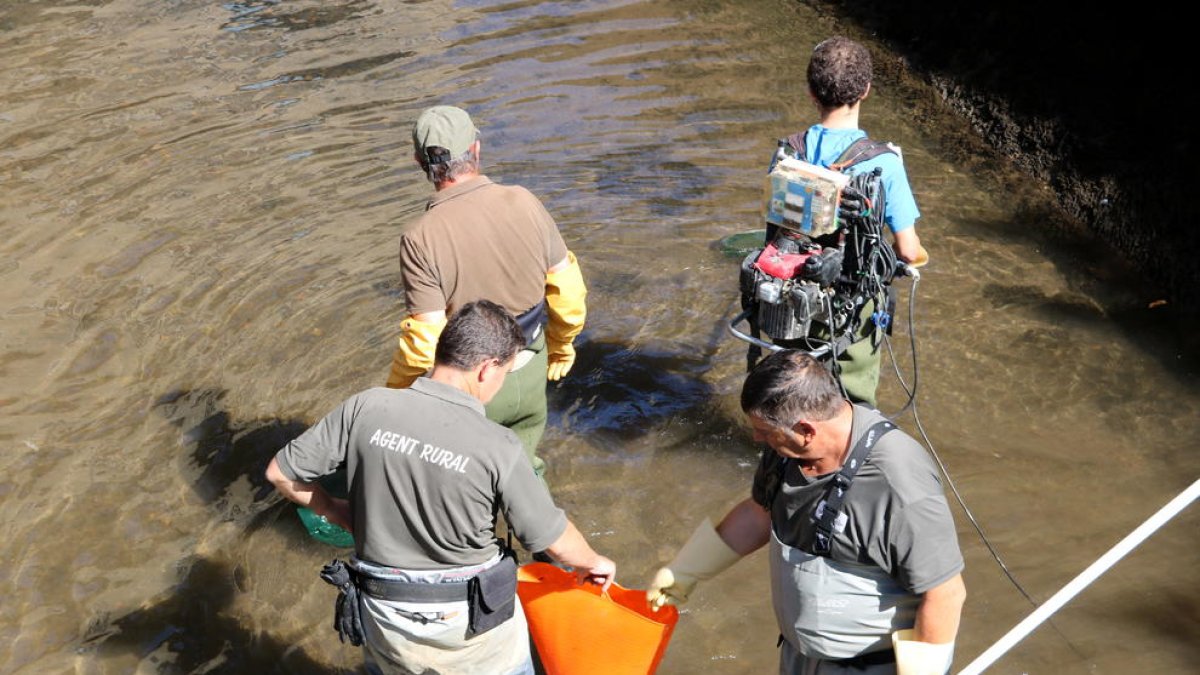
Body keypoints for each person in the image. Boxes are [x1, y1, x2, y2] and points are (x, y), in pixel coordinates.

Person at [268, 300, 615, 675]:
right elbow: (551, 538)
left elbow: (280, 473)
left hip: (384, 614)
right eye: (505, 373)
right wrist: (593, 562)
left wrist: (336, 510)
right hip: (469, 630)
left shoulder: (367, 406)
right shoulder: (497, 444)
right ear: (486, 370)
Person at [647, 350, 965, 674]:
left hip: (867, 666)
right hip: (799, 656)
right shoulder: (787, 449)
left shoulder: (898, 482)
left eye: (766, 431)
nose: (758, 438)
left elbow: (945, 593)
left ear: (806, 430)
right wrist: (685, 570)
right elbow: (760, 513)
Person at [386, 105, 587, 482]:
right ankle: (544, 539)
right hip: (528, 369)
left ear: (418, 162)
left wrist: (396, 398)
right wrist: (562, 345)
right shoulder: (524, 201)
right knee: (524, 478)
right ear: (476, 150)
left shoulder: (419, 237)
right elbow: (569, 292)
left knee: (454, 484)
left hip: (469, 387)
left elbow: (425, 342)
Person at [762, 36, 929, 406]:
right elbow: (909, 250)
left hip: (790, 299)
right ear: (866, 90)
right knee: (849, 404)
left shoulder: (788, 152)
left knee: (791, 392)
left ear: (811, 92)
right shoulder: (884, 164)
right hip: (851, 306)